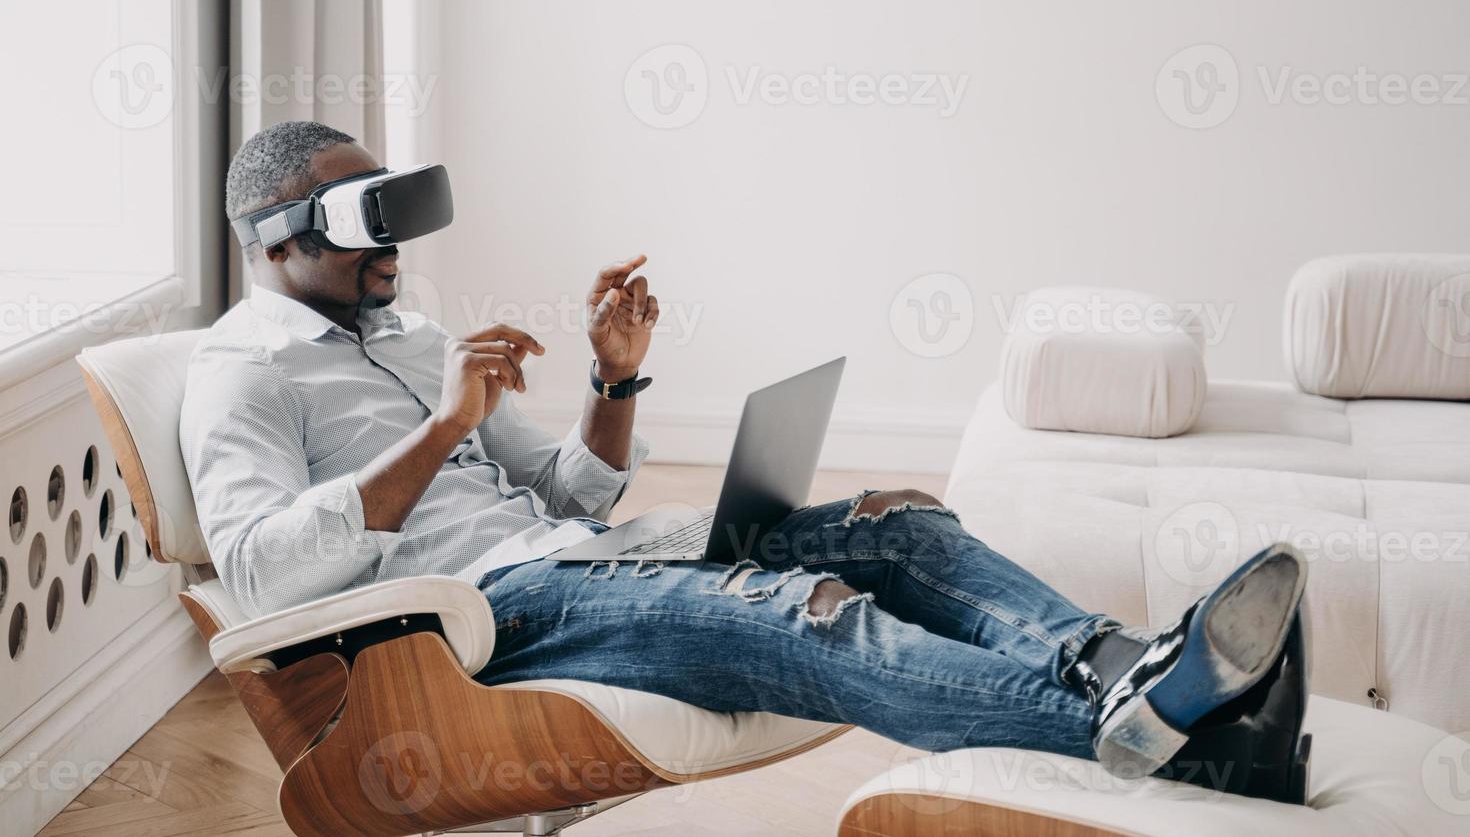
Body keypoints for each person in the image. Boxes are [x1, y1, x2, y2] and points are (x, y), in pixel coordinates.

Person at [181, 120, 1311, 796]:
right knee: (805, 607)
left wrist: (613, 376)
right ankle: (1184, 741)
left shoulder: (412, 338)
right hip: (473, 621)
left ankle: (1125, 661)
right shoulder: (245, 371)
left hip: (578, 558)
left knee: (897, 526)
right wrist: (440, 431)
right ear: (283, 230)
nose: (394, 244)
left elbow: (578, 490)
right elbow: (265, 574)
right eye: (368, 214)